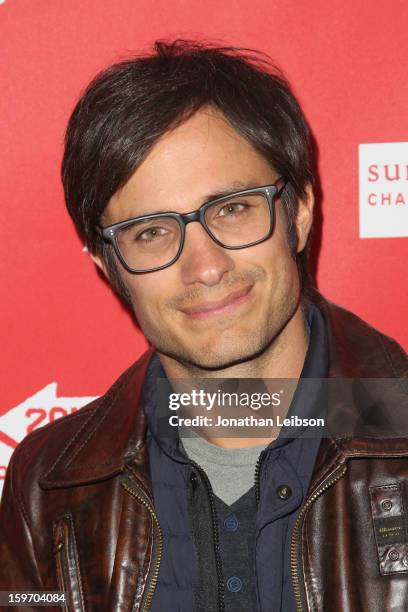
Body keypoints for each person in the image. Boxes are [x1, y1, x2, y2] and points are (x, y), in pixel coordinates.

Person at [0, 40, 407, 612]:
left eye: (234, 208)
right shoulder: (45, 487)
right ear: (108, 263)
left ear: (300, 210)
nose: (206, 267)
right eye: (152, 232)